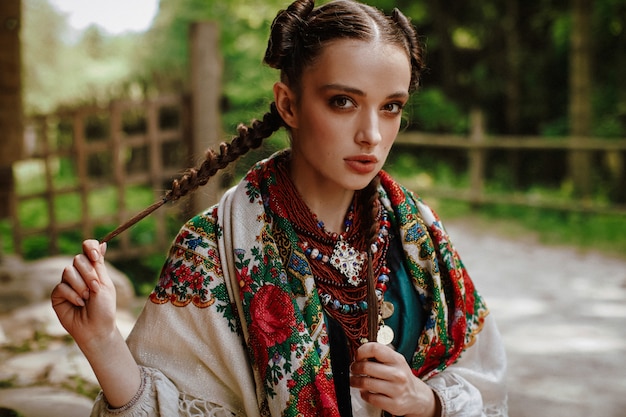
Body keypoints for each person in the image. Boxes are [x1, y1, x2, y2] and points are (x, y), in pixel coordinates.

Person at [51, 0, 508, 416]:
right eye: (343, 102)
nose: (371, 133)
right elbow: (168, 403)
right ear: (288, 104)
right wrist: (102, 340)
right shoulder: (211, 250)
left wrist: (425, 401)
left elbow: (484, 380)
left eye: (390, 107)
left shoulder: (419, 235)